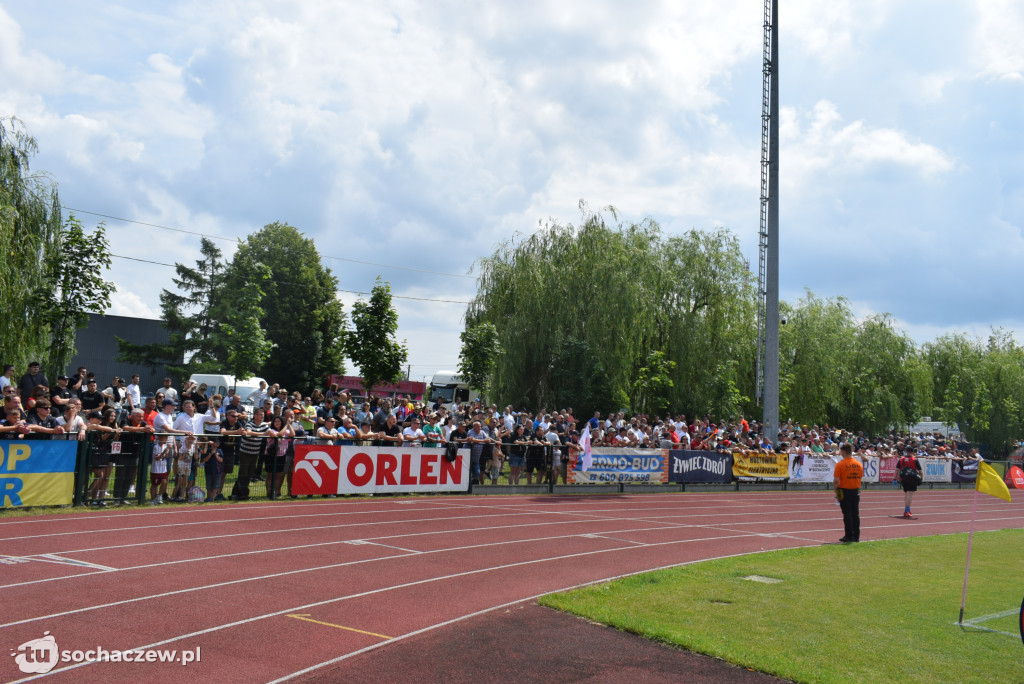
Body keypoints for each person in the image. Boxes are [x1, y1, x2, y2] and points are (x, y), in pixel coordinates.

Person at [833, 443, 864, 543]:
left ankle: (849, 536)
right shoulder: (859, 464)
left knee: (847, 514)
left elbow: (836, 481)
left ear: (844, 452)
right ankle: (856, 536)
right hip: (855, 491)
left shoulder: (840, 464)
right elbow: (860, 477)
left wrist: (837, 492)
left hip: (844, 491)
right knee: (855, 514)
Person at [897, 447, 923, 518]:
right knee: (909, 494)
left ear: (906, 451)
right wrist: (921, 479)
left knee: (907, 494)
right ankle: (907, 510)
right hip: (912, 478)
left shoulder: (901, 459)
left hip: (903, 478)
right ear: (913, 452)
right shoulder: (915, 460)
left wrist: (894, 478)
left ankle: (907, 509)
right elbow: (920, 471)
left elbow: (897, 470)